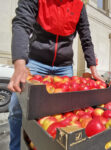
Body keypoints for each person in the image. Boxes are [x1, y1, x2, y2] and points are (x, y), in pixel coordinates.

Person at [7, 0, 103, 150]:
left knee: (66, 110)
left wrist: (93, 69)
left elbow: (86, 38)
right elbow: (21, 23)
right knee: (17, 105)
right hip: (36, 61)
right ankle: (15, 147)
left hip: (63, 67)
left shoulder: (79, 5)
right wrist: (20, 64)